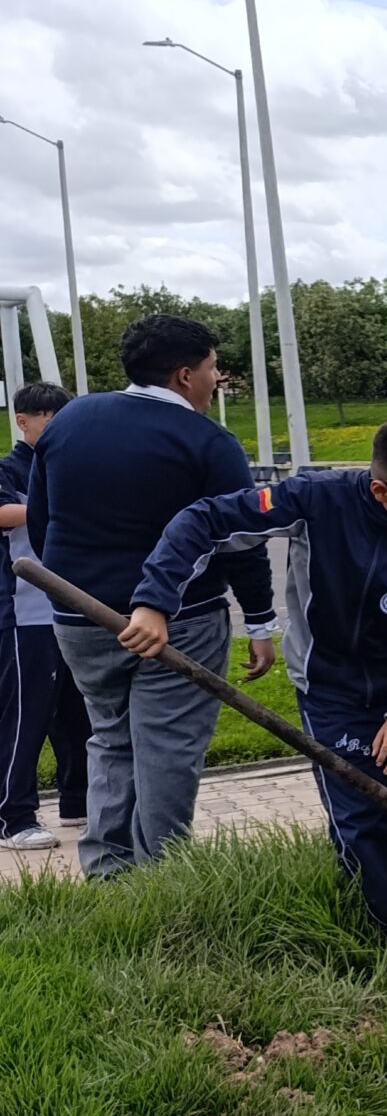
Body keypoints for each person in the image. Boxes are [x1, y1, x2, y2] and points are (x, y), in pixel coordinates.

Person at [124, 415, 387, 972]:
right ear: (380, 489)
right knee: (362, 817)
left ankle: (373, 878)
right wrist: (154, 602)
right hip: (332, 689)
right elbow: (203, 520)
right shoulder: (314, 500)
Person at [27, 315, 276, 877]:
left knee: (110, 740)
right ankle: (163, 877)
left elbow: (44, 520)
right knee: (168, 749)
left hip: (79, 616)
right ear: (186, 375)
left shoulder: (72, 420)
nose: (217, 379)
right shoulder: (207, 441)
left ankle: (108, 873)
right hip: (180, 619)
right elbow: (241, 541)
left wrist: (75, 585)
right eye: (213, 368)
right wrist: (261, 623)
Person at [0, 382, 85, 848]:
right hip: (25, 613)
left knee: (78, 713)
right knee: (24, 715)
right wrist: (51, 506)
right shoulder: (9, 467)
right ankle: (13, 817)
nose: (58, 430)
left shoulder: (69, 466)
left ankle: (78, 801)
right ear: (24, 421)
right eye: (50, 420)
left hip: (75, 612)